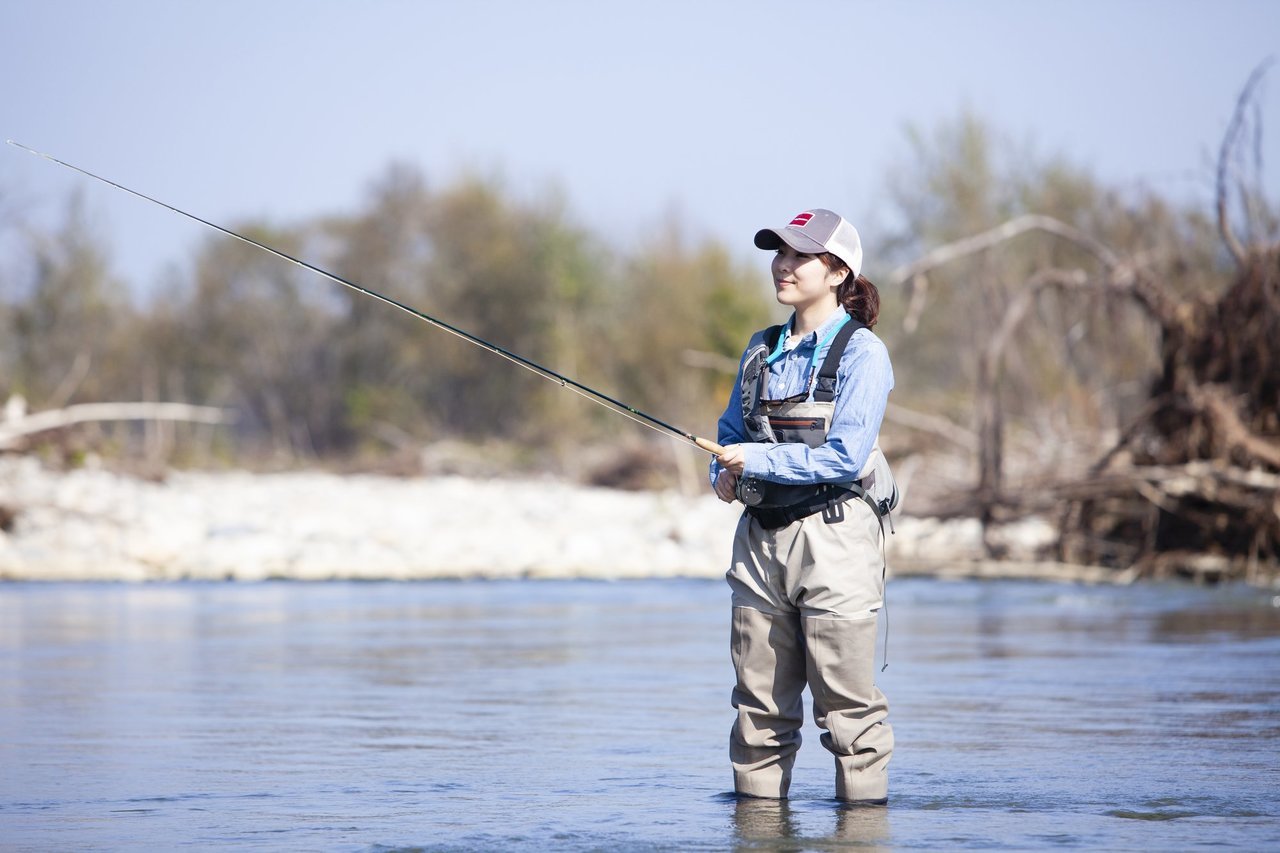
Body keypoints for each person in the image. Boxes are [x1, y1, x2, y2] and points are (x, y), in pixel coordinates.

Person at [710, 208, 894, 804]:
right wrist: (722, 473)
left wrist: (752, 463)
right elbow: (731, 430)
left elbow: (844, 456)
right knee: (757, 712)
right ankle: (758, 833)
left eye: (798, 256)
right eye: (778, 253)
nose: (782, 266)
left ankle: (862, 836)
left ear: (838, 271)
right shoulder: (759, 349)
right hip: (759, 544)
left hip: (835, 539)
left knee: (849, 717)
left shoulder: (865, 354)